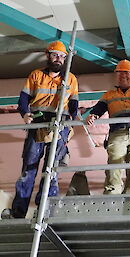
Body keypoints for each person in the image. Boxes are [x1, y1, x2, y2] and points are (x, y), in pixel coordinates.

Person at [1, 41, 79, 219]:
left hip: (60, 123)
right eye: (55, 55)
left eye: (62, 56)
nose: (58, 59)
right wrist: (25, 114)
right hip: (38, 123)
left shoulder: (71, 78)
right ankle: (19, 211)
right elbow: (24, 99)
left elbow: (74, 104)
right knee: (29, 168)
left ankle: (45, 209)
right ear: (48, 56)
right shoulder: (36, 76)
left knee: (51, 169)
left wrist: (71, 121)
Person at [86, 59, 130, 195]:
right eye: (120, 73)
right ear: (116, 76)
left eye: (126, 73)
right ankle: (112, 195)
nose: (123, 76)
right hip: (117, 132)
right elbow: (99, 108)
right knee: (114, 165)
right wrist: (93, 115)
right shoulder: (109, 95)